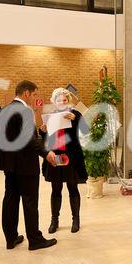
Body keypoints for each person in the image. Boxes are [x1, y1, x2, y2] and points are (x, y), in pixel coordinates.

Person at [0, 80, 57, 250]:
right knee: (30, 202)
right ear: (26, 93)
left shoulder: (4, 110)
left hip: (9, 164)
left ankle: (11, 238)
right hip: (25, 165)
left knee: (10, 199)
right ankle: (35, 240)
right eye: (34, 94)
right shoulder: (24, 111)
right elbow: (31, 140)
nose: (35, 97)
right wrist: (46, 153)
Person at [39, 88, 89, 234]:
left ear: (69, 100)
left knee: (73, 187)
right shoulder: (50, 116)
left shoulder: (75, 113)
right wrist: (42, 131)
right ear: (54, 102)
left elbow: (86, 131)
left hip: (71, 156)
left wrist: (76, 119)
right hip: (55, 155)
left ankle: (76, 220)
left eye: (64, 100)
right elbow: (46, 140)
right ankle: (54, 221)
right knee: (56, 188)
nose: (62, 102)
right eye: (59, 100)